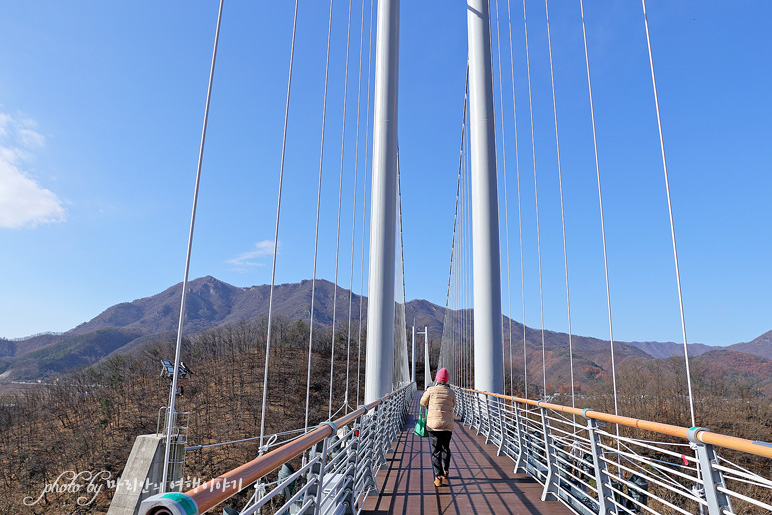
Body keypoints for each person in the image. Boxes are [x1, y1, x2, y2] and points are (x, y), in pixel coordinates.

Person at [420, 368, 456, 487]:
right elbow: (453, 404)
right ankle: (446, 470)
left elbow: (422, 402)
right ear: (446, 380)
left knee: (436, 451)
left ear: (437, 379)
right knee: (446, 448)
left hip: (434, 425)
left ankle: (438, 477)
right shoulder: (451, 392)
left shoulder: (431, 390)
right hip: (447, 425)